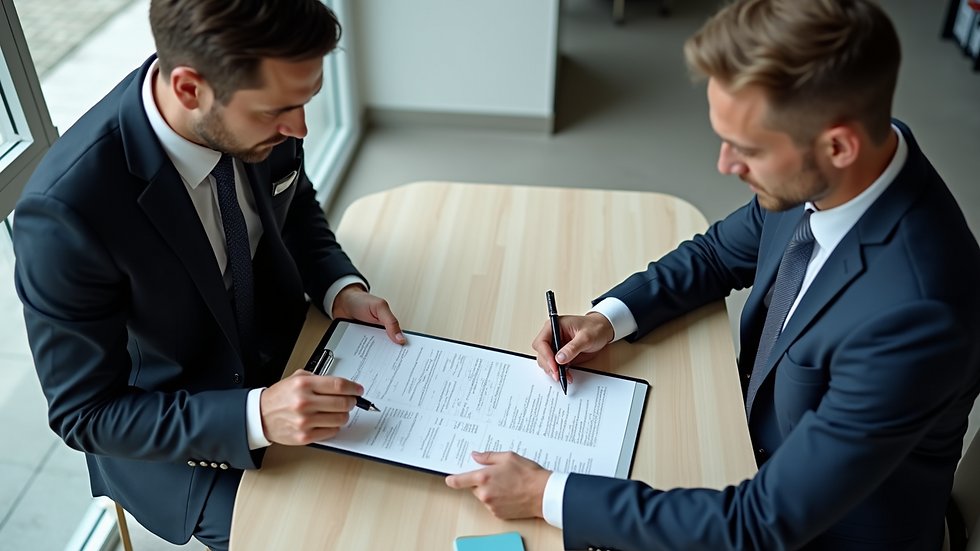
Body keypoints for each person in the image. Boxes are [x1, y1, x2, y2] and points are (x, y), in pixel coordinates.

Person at [446, 0, 980, 549]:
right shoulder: (846, 166)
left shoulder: (918, 316)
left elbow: (760, 524)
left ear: (839, 145)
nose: (725, 165)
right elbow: (717, 255)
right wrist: (606, 320)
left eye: (747, 149)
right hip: (752, 459)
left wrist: (546, 495)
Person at [13, 1, 404, 549]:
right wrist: (255, 415)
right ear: (189, 89)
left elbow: (294, 202)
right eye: (277, 111)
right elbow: (87, 414)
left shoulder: (261, 108)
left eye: (307, 100)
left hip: (289, 346)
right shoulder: (67, 213)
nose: (299, 127)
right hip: (173, 427)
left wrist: (338, 286)